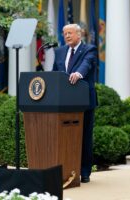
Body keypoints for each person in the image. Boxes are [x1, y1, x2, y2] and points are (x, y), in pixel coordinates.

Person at [53, 24, 97, 183]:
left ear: (79, 34)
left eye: (70, 33)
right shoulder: (59, 51)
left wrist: (78, 74)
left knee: (84, 137)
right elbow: (54, 74)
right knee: (65, 138)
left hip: (84, 101)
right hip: (63, 103)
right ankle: (65, 169)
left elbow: (87, 63)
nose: (67, 36)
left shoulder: (89, 49)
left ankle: (84, 172)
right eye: (64, 33)